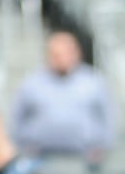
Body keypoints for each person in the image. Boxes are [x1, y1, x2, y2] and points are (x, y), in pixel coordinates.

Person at [9, 30, 116, 166]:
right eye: (56, 54)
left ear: (77, 53)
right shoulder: (31, 84)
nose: (62, 59)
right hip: (41, 160)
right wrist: (24, 147)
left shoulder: (93, 82)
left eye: (66, 53)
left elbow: (108, 115)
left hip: (84, 161)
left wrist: (102, 146)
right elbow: (17, 117)